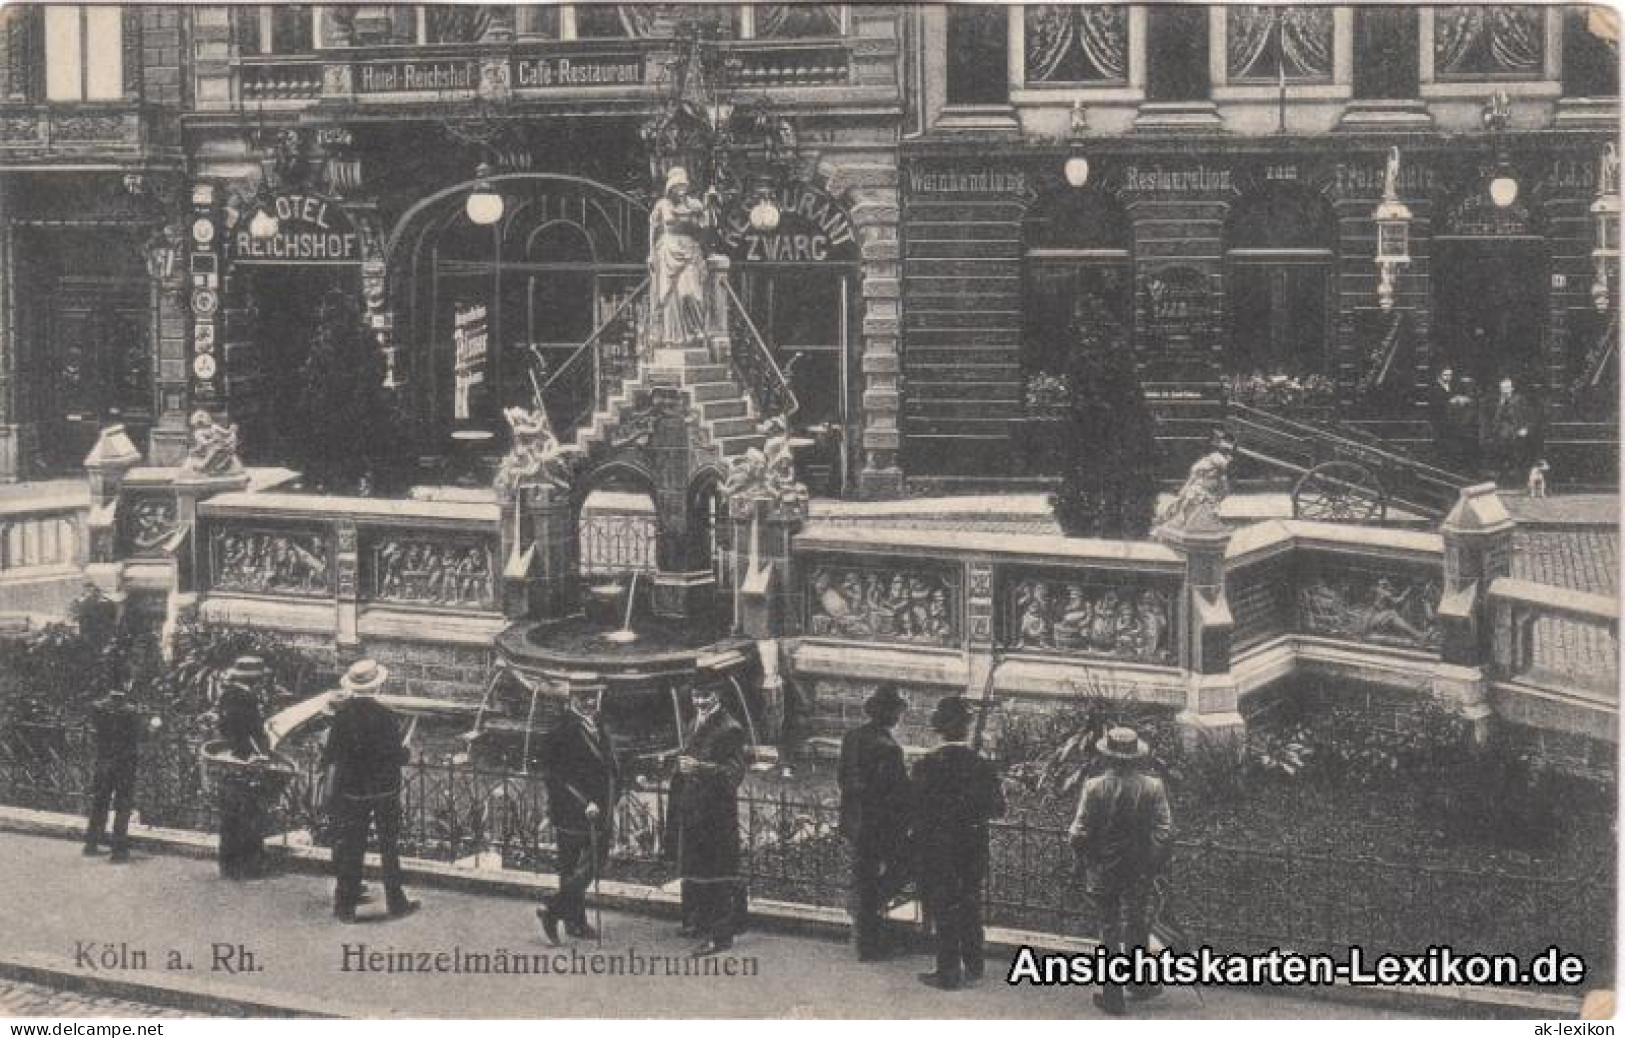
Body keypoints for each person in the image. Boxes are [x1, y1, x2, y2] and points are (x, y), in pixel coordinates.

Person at [1069, 727, 1174, 1016]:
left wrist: (1082, 856)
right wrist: (1151, 861)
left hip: (1103, 868)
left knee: (1109, 927)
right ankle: (1139, 983)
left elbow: (1078, 831)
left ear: (1108, 757)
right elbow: (1164, 830)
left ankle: (1112, 994)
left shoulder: (1094, 787)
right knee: (1137, 922)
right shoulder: (1153, 787)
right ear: (1136, 757)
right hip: (1138, 868)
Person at [911, 696, 1005, 990]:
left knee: (944, 905)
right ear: (965, 729)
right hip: (973, 844)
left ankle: (948, 971)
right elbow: (998, 809)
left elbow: (914, 807)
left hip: (939, 845)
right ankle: (974, 964)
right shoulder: (982, 766)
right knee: (970, 902)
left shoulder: (927, 765)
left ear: (940, 729)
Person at [322, 659, 419, 923]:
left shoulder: (342, 715)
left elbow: (332, 753)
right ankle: (396, 903)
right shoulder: (386, 716)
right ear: (377, 686)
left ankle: (345, 908)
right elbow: (396, 756)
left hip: (352, 789)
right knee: (389, 846)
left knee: (352, 846)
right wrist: (406, 750)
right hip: (383, 790)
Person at [668, 682, 747, 956]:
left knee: (718, 873)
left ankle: (721, 936)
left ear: (719, 696)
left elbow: (733, 774)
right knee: (696, 869)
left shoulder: (730, 728)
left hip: (717, 814)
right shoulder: (696, 721)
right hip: (694, 809)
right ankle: (698, 923)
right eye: (696, 695)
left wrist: (699, 768)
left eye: (706, 696)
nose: (700, 701)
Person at [537, 684, 619, 945]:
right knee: (582, 864)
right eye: (583, 698)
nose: (589, 702)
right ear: (571, 698)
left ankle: (571, 921)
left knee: (581, 866)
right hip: (575, 810)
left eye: (593, 697)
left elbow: (608, 763)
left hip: (598, 808)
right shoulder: (562, 729)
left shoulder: (597, 724)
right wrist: (584, 802)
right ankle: (558, 914)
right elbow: (555, 775)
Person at [837, 684, 912, 961]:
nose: (897, 717)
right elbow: (897, 794)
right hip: (878, 825)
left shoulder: (852, 737)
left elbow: (844, 779)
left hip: (855, 822)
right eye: (895, 712)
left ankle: (863, 926)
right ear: (888, 714)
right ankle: (868, 935)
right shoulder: (889, 749)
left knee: (862, 876)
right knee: (903, 866)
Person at [216, 656, 272, 879]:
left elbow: (225, 728)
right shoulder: (246, 699)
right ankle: (250, 866)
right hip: (247, 758)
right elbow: (253, 732)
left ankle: (228, 864)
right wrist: (261, 754)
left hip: (231, 757)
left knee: (230, 815)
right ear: (254, 680)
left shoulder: (227, 696)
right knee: (250, 813)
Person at [83, 685, 153, 863]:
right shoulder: (131, 713)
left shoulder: (98, 708)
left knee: (99, 802)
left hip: (103, 761)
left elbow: (93, 732)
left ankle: (91, 843)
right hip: (124, 764)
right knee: (123, 805)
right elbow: (144, 735)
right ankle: (118, 849)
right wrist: (153, 725)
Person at [647, 166, 713, 348]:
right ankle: (672, 338)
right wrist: (651, 253)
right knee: (668, 296)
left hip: (689, 250)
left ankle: (696, 332)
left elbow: (705, 228)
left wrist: (703, 212)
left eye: (683, 186)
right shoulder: (662, 205)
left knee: (691, 294)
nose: (680, 190)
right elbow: (653, 229)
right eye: (677, 186)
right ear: (670, 188)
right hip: (668, 250)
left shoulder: (695, 204)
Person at [1480, 376, 1536, 487]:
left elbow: (1531, 418)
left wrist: (1525, 429)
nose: (1505, 390)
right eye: (1503, 388)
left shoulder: (1520, 400)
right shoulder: (1497, 401)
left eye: (1507, 387)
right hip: (1499, 435)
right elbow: (1490, 419)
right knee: (1498, 455)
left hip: (1516, 435)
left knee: (1516, 457)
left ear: (1512, 388)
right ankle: (1502, 481)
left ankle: (1517, 482)